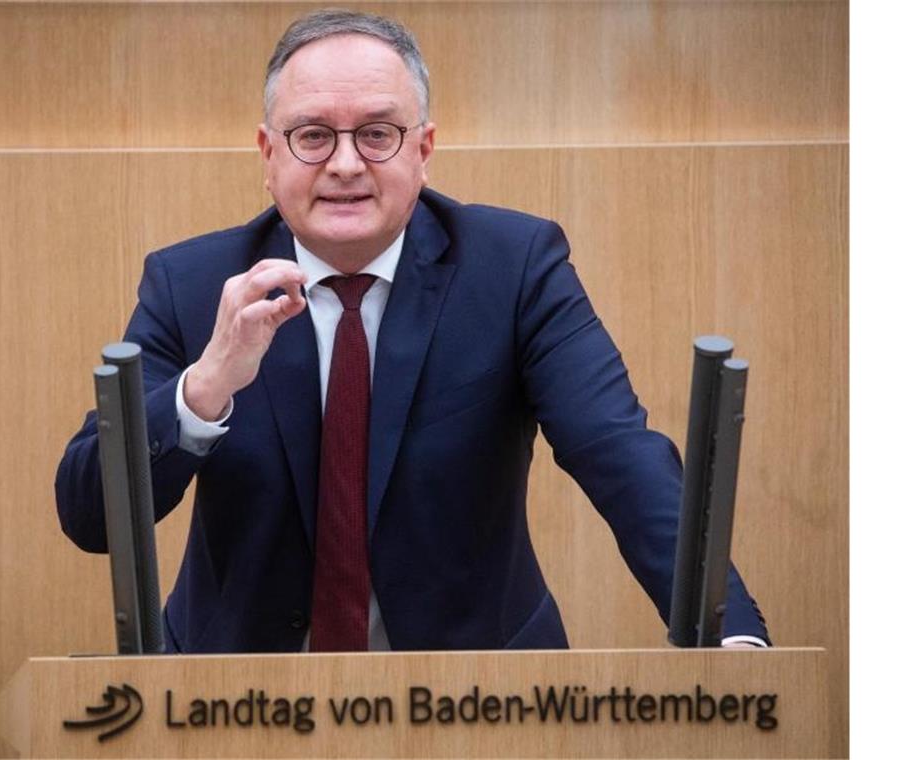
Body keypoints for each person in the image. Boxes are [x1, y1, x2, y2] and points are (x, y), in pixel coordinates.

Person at [55, 9, 769, 653]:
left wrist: (727, 632)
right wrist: (205, 388)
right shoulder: (192, 284)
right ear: (268, 154)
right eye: (312, 136)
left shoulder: (513, 269)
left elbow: (617, 452)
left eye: (376, 133)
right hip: (237, 703)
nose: (343, 163)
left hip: (479, 697)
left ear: (423, 149)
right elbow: (92, 516)